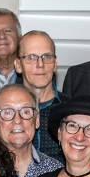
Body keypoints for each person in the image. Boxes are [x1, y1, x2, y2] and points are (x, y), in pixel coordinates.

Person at [13, 30, 67, 160]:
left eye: (47, 57)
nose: (40, 64)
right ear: (18, 65)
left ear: (55, 64)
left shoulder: (71, 111)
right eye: (31, 57)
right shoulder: (1, 112)